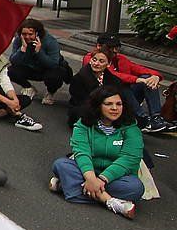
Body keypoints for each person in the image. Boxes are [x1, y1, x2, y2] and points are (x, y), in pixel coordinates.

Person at [49, 87, 144, 219]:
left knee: (135, 188)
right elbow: (82, 153)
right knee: (61, 164)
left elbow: (129, 159)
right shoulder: (83, 124)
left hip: (115, 177)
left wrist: (101, 180)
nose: (115, 108)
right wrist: (91, 179)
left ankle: (67, 186)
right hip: (87, 172)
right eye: (108, 104)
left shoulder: (131, 128)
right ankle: (110, 201)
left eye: (119, 104)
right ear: (98, 106)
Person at [86, 34, 170, 132]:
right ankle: (142, 119)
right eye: (110, 47)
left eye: (116, 47)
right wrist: (137, 79)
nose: (114, 50)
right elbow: (111, 75)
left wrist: (155, 77)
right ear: (99, 46)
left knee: (148, 78)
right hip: (103, 98)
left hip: (124, 99)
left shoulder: (120, 59)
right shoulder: (91, 59)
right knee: (120, 85)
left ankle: (156, 118)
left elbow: (140, 69)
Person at [8, 18, 71, 105]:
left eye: (30, 34)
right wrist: (22, 50)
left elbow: (53, 64)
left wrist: (39, 52)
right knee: (10, 71)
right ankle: (29, 87)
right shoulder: (19, 40)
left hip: (47, 69)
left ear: (37, 33)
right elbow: (13, 61)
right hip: (31, 68)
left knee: (55, 76)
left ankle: (50, 92)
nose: (27, 37)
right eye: (24, 34)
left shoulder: (50, 42)